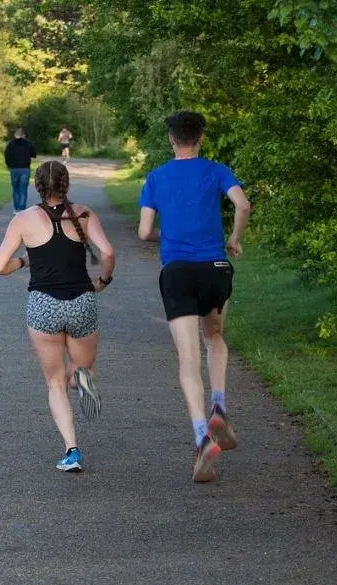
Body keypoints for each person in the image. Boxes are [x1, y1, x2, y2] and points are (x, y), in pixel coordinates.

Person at [137, 111, 252, 482]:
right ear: (200, 138)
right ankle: (220, 405)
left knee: (188, 357)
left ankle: (202, 435)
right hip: (215, 268)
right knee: (214, 339)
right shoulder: (217, 171)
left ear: (171, 139)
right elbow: (243, 204)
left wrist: (168, 237)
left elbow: (143, 232)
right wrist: (233, 239)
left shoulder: (156, 177)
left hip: (177, 271)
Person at [0, 160, 115, 472]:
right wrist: (103, 281)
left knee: (54, 381)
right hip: (82, 301)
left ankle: (71, 450)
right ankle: (83, 378)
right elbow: (109, 253)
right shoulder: (84, 214)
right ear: (67, 186)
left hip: (43, 305)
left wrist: (24, 261)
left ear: (36, 187)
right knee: (80, 368)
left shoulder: (22, 220)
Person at [4, 128, 37, 213]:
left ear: (15, 135)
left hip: (14, 169)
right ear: (23, 135)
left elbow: (6, 156)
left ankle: (16, 208)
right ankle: (21, 208)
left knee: (15, 189)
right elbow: (34, 154)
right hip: (25, 169)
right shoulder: (27, 143)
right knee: (23, 189)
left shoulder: (10, 144)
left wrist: (9, 165)